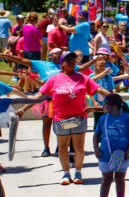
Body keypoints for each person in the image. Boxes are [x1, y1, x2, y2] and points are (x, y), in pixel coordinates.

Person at [26, 51, 112, 184]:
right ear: (62, 64)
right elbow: (39, 95)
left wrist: (115, 101)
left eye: (73, 59)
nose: (72, 61)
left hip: (79, 118)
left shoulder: (83, 78)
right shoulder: (54, 79)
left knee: (78, 147)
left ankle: (78, 172)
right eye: (68, 59)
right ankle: (66, 173)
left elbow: (100, 90)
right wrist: (23, 106)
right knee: (62, 147)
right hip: (60, 119)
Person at [93, 94, 129, 197]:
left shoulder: (127, 118)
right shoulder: (103, 118)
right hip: (105, 155)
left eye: (105, 104)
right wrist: (96, 149)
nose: (103, 106)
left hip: (122, 155)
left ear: (113, 106)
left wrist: (128, 151)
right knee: (106, 180)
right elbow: (96, 134)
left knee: (120, 179)